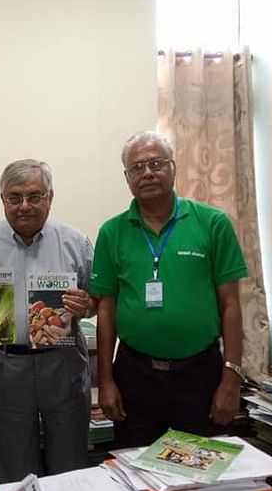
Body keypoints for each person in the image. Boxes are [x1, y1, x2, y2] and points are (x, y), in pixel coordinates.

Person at [90, 130, 248, 448]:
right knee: (135, 475)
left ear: (173, 168)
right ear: (127, 177)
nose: (147, 172)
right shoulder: (112, 232)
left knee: (200, 479)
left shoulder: (212, 223)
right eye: (137, 167)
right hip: (135, 375)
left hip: (200, 375)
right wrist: (105, 380)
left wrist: (231, 378)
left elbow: (231, 304)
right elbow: (105, 309)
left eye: (156, 163)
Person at [0, 159, 93, 483]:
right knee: (13, 470)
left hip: (62, 364)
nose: (24, 206)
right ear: (3, 200)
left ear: (49, 198)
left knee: (71, 466)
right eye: (15, 198)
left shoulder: (75, 241)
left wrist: (87, 304)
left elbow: (96, 301)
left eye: (34, 196)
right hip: (5, 367)